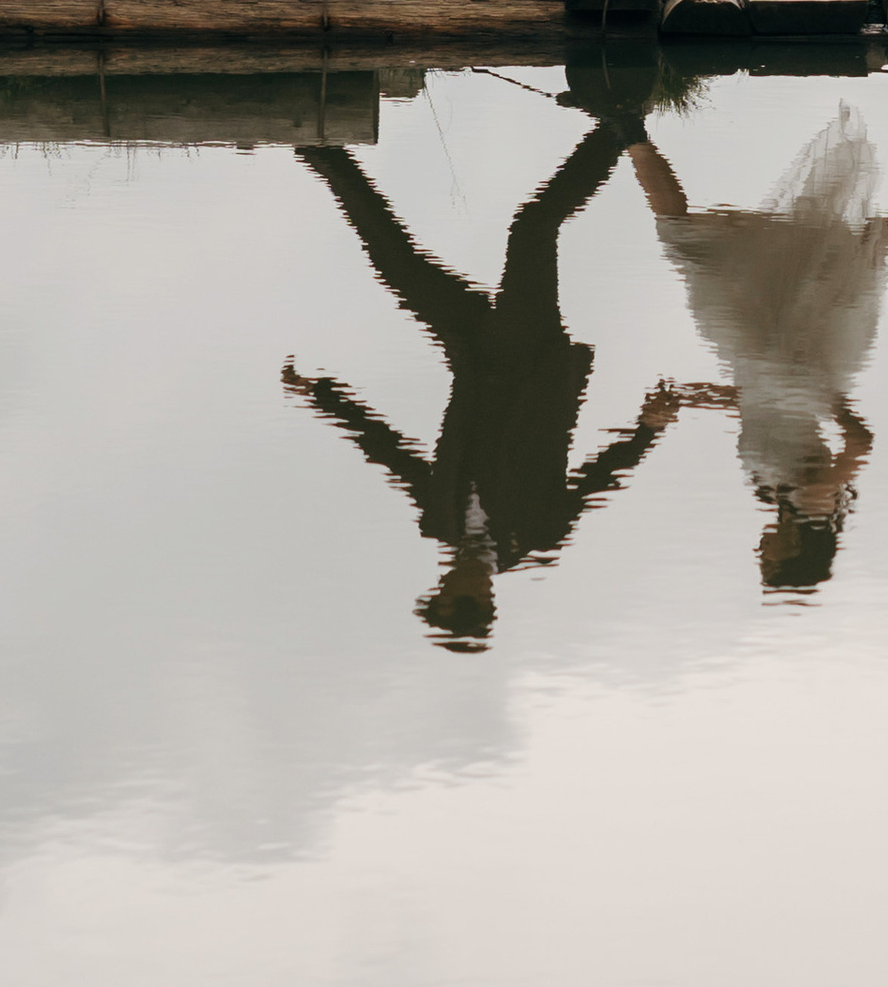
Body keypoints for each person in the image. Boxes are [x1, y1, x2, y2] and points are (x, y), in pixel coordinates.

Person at [281, 118, 674, 648]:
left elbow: (388, 449)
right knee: (533, 227)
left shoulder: (438, 520)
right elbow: (596, 480)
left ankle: (323, 151)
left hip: (470, 355)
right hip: (527, 352)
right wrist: (646, 430)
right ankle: (616, 132)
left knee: (395, 266)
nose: (441, 580)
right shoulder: (538, 533)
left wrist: (323, 395)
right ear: (479, 599)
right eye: (446, 593)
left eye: (436, 589)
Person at [628, 91, 888, 586]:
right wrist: (820, 392)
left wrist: (696, 400)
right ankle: (628, 129)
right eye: (766, 561)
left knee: (873, 239)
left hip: (769, 355)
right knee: (861, 241)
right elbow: (859, 441)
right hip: (793, 352)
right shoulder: (813, 499)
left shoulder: (778, 493)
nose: (759, 552)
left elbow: (762, 407)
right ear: (790, 553)